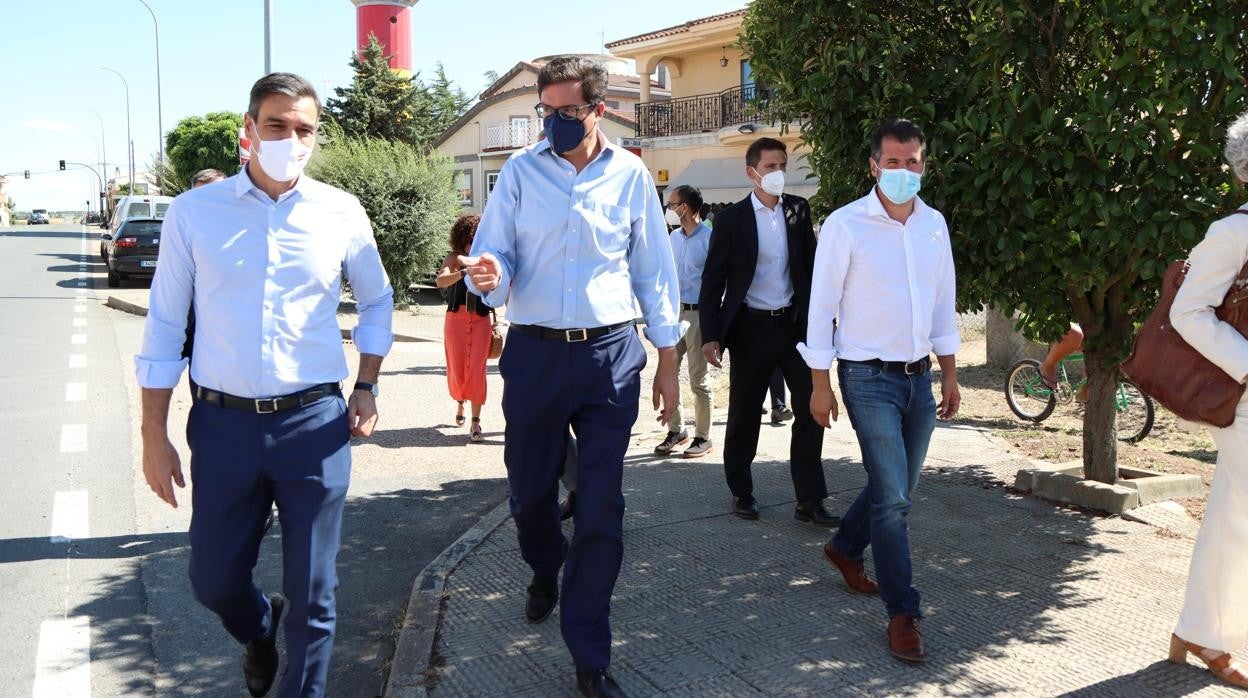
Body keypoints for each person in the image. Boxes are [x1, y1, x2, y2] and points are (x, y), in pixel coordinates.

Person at [135, 72, 394, 697]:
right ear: (249, 129)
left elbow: (378, 301)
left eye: (304, 129)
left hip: (314, 424)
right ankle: (257, 628)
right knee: (213, 581)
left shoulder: (340, 211)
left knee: (314, 593)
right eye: (277, 125)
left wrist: (367, 384)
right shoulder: (195, 212)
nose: (291, 139)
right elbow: (165, 324)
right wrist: (153, 435)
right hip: (223, 425)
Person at [459, 56, 681, 698]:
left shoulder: (631, 174)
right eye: (546, 111)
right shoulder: (520, 172)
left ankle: (590, 655)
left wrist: (668, 359)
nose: (554, 121)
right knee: (530, 497)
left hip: (610, 354)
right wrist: (491, 274)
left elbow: (653, 269)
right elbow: (497, 251)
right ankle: (544, 565)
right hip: (535, 355)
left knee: (602, 508)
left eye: (568, 111)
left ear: (598, 109)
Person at [800, 118, 960, 664]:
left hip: (920, 377)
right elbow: (821, 307)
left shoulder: (933, 225)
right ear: (874, 166)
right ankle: (902, 611)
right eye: (893, 162)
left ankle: (845, 547)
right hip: (866, 377)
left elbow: (943, 303)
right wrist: (820, 385)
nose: (903, 171)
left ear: (924, 164)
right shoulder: (846, 224)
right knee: (893, 499)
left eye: (912, 162)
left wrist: (950, 372)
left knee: (897, 487)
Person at [698, 137, 833, 526]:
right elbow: (713, 281)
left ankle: (809, 499)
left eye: (782, 165)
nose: (778, 173)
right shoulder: (731, 220)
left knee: (810, 408)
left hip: (794, 327)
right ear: (751, 172)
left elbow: (812, 268)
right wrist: (711, 335)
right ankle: (741, 491)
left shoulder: (798, 209)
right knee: (745, 413)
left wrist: (824, 321)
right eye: (770, 166)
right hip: (750, 328)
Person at [1168, 110, 1248, 690]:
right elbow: (1187, 311)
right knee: (1239, 519)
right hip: (1242, 400)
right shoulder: (1234, 232)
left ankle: (1197, 630)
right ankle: (1206, 633)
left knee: (1230, 515)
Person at [654, 184, 714, 458]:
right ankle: (676, 430)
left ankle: (703, 436)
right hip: (673, 313)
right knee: (669, 372)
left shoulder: (709, 239)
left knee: (698, 379)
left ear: (685, 208)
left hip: (698, 314)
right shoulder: (673, 238)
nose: (668, 210)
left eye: (671, 205)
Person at [436, 214, 491, 442]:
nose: (472, 243)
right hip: (456, 319)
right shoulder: (454, 258)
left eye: (476, 238)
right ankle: (460, 402)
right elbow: (440, 281)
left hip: (481, 320)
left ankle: (476, 422)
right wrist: (463, 271)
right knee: (458, 370)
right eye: (469, 239)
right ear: (461, 239)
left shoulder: (487, 259)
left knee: (477, 370)